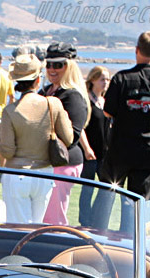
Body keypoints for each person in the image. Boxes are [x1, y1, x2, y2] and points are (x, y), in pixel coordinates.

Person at [0, 54, 73, 223]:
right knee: (36, 227)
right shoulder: (53, 104)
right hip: (44, 173)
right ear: (38, 80)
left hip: (16, 174)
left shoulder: (11, 111)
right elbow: (68, 138)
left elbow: (7, 151)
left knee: (16, 228)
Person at [100, 31, 150, 200]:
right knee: (137, 201)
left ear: (136, 49)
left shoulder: (121, 78)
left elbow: (107, 111)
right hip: (148, 150)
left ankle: (99, 227)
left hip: (121, 148)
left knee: (106, 197)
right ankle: (132, 228)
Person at [40, 42, 89, 225]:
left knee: (53, 219)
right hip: (46, 162)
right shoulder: (46, 91)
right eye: (49, 64)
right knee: (43, 215)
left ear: (69, 66)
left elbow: (72, 136)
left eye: (58, 65)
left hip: (62, 162)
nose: (52, 69)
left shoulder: (72, 96)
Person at [79, 66, 111, 226]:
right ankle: (85, 221)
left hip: (104, 152)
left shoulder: (105, 101)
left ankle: (98, 220)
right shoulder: (87, 101)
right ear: (93, 80)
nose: (105, 82)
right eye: (102, 79)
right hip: (90, 152)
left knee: (106, 186)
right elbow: (81, 128)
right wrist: (86, 148)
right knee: (87, 188)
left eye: (107, 79)